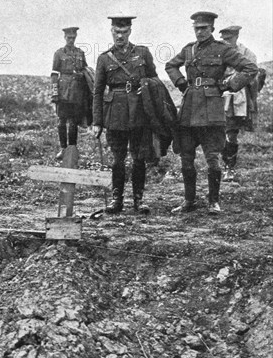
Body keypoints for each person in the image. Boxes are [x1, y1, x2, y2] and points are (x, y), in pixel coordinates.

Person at [165, 12, 258, 214]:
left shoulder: (222, 49)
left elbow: (250, 68)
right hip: (189, 110)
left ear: (212, 29)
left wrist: (229, 85)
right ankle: (189, 201)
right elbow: (171, 65)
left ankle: (213, 202)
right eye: (197, 28)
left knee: (212, 156)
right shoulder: (188, 50)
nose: (200, 32)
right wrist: (182, 84)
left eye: (204, 28)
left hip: (212, 110)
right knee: (186, 156)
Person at [92, 16, 158, 214]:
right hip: (115, 113)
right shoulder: (104, 58)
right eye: (116, 32)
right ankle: (116, 199)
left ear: (130, 31)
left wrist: (145, 87)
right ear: (111, 31)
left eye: (124, 32)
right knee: (117, 159)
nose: (120, 36)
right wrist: (97, 121)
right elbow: (97, 91)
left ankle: (138, 199)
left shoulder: (142, 53)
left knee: (139, 158)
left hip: (138, 111)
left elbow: (154, 79)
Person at [219, 26, 259, 182]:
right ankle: (225, 164)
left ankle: (230, 168)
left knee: (232, 133)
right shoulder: (219, 52)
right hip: (221, 97)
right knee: (221, 133)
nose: (226, 42)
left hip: (238, 99)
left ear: (236, 37)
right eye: (224, 39)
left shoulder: (247, 54)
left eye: (229, 39)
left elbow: (253, 76)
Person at [51, 27, 91, 160]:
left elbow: (85, 70)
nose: (71, 40)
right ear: (65, 38)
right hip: (63, 91)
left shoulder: (80, 53)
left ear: (76, 38)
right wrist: (55, 93)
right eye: (69, 38)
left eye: (73, 38)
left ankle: (72, 150)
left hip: (77, 92)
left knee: (74, 122)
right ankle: (63, 149)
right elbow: (54, 74)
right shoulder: (59, 53)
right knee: (62, 121)